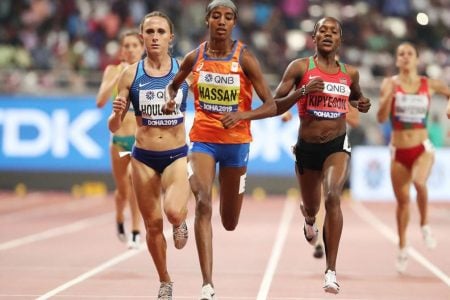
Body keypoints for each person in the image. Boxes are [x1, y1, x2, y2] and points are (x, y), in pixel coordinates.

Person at [163, 0, 276, 298]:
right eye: (216, 16)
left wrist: (243, 115)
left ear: (234, 23)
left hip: (237, 146)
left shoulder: (245, 57)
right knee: (202, 202)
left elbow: (272, 104)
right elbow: (173, 86)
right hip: (203, 140)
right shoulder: (194, 56)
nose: (222, 21)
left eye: (228, 17)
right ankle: (207, 284)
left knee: (229, 221)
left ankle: (210, 272)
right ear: (207, 20)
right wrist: (172, 99)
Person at [274, 17, 371, 294]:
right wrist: (303, 91)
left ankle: (330, 271)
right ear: (313, 38)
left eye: (334, 32)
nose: (328, 35)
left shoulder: (350, 73)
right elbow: (275, 103)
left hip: (336, 146)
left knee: (333, 196)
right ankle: (308, 221)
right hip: (307, 148)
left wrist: (360, 103)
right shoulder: (300, 67)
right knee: (312, 207)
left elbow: (356, 97)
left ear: (340, 40)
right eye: (322, 31)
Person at [108, 11, 191, 299]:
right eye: (150, 32)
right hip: (142, 156)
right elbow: (114, 125)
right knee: (153, 224)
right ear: (142, 37)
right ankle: (165, 280)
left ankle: (181, 221)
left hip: (176, 154)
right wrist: (117, 115)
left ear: (171, 37)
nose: (155, 37)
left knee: (171, 211)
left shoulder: (184, 69)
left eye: (161, 32)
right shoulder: (130, 74)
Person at [376, 42, 450, 274]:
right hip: (398, 151)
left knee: (419, 182)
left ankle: (425, 224)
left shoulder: (429, 84)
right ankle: (402, 246)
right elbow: (380, 118)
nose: (405, 57)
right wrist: (388, 98)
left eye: (410, 54)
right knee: (402, 203)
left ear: (417, 59)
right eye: (401, 54)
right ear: (397, 60)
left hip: (422, 148)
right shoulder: (389, 83)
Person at [280, 101, 361, 260]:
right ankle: (311, 220)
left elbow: (355, 120)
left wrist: (336, 112)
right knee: (315, 198)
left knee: (329, 195)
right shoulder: (313, 84)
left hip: (337, 150)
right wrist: (288, 113)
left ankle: (320, 242)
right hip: (313, 147)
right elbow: (300, 103)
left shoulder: (343, 89)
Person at [96, 31, 144, 249]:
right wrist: (119, 76)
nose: (131, 49)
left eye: (135, 45)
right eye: (127, 45)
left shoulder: (147, 72)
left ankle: (135, 230)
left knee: (135, 185)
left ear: (142, 48)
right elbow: (100, 101)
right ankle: (118, 216)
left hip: (138, 141)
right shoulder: (113, 70)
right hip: (119, 140)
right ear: (122, 49)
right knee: (123, 190)